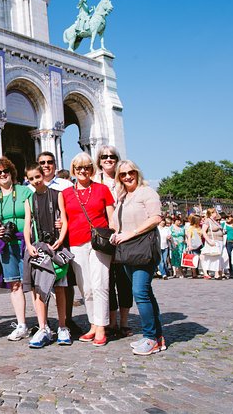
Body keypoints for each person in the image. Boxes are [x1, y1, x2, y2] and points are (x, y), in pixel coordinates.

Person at [109, 160, 164, 355]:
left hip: (143, 248)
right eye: (122, 174)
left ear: (137, 172)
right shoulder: (123, 197)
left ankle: (150, 337)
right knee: (146, 292)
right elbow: (119, 223)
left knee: (139, 292)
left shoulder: (146, 192)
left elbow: (155, 218)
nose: (127, 177)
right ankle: (158, 336)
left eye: (130, 172)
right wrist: (116, 233)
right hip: (127, 250)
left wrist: (130, 233)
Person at [62, 152, 114, 346]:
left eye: (87, 167)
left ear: (92, 170)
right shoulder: (66, 193)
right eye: (78, 168)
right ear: (73, 170)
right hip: (76, 241)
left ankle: (101, 326)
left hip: (99, 242)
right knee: (86, 287)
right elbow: (64, 220)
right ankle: (93, 323)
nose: (82, 171)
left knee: (100, 283)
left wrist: (114, 235)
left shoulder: (102, 189)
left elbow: (111, 216)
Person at [0, 157, 33, 341]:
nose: (3, 174)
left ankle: (43, 323)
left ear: (11, 173)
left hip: (25, 243)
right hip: (6, 246)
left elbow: (31, 216)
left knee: (35, 284)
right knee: (14, 284)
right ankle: (22, 324)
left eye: (5, 171)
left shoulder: (24, 191)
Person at [31, 151, 79, 334]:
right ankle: (43, 322)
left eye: (49, 162)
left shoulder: (66, 185)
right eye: (42, 162)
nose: (46, 165)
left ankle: (67, 320)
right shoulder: (31, 187)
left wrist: (64, 221)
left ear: (55, 164)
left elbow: (74, 210)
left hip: (61, 241)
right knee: (41, 282)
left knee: (64, 283)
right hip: (40, 242)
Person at [22, 162, 69, 347]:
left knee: (60, 287)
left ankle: (63, 327)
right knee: (40, 289)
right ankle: (43, 327)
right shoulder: (29, 199)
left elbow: (64, 220)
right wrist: (28, 245)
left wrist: (61, 238)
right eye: (31, 178)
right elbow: (27, 224)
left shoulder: (57, 195)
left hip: (55, 246)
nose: (35, 181)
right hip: (38, 247)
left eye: (37, 177)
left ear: (44, 175)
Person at [94, 144, 133, 338]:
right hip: (105, 236)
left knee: (124, 280)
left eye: (112, 157)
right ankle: (111, 321)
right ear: (99, 160)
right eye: (104, 157)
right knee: (107, 280)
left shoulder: (125, 179)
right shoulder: (94, 180)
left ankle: (124, 322)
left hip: (125, 235)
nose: (108, 160)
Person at [200, 208, 225, 280]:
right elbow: (203, 231)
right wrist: (209, 241)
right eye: (215, 212)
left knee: (219, 257)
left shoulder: (215, 221)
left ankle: (218, 272)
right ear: (211, 213)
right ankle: (215, 273)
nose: (216, 213)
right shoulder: (208, 220)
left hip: (219, 240)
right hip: (213, 241)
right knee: (214, 257)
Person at [185, 214, 202, 278]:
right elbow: (189, 237)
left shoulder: (199, 227)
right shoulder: (190, 228)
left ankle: (196, 272)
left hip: (200, 245)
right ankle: (194, 273)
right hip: (193, 245)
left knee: (199, 259)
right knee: (194, 259)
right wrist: (189, 246)